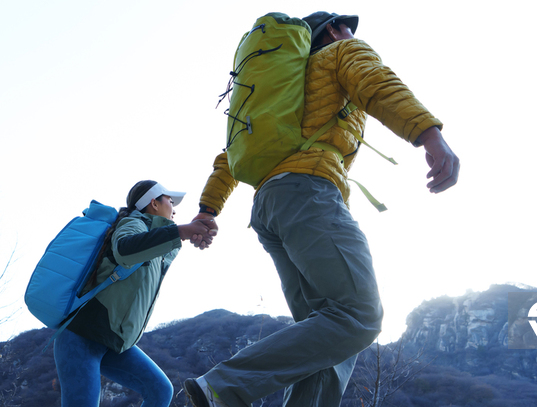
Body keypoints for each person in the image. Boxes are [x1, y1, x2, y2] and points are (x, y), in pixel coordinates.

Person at [184, 11, 459, 407]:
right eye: (346, 27)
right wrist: (429, 135)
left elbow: (230, 156)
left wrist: (209, 210)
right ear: (332, 30)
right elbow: (376, 82)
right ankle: (223, 386)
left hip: (269, 207)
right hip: (308, 193)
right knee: (358, 315)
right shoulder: (341, 52)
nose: (351, 33)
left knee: (326, 337)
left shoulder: (274, 98)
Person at [53, 180, 216, 407]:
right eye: (170, 200)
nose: (175, 208)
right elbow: (125, 249)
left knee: (160, 390)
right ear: (154, 203)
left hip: (114, 341)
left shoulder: (155, 240)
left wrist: (189, 233)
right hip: (82, 336)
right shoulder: (134, 221)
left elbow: (156, 245)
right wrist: (180, 231)